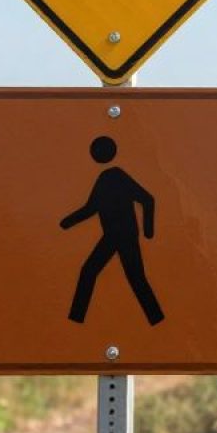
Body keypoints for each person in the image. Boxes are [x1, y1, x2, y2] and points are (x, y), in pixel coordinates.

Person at [60, 135, 165, 326]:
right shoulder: (105, 178)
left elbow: (148, 199)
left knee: (129, 277)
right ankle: (75, 320)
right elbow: (91, 207)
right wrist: (67, 222)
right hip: (112, 236)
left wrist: (148, 231)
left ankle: (157, 320)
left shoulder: (117, 176)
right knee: (94, 272)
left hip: (123, 236)